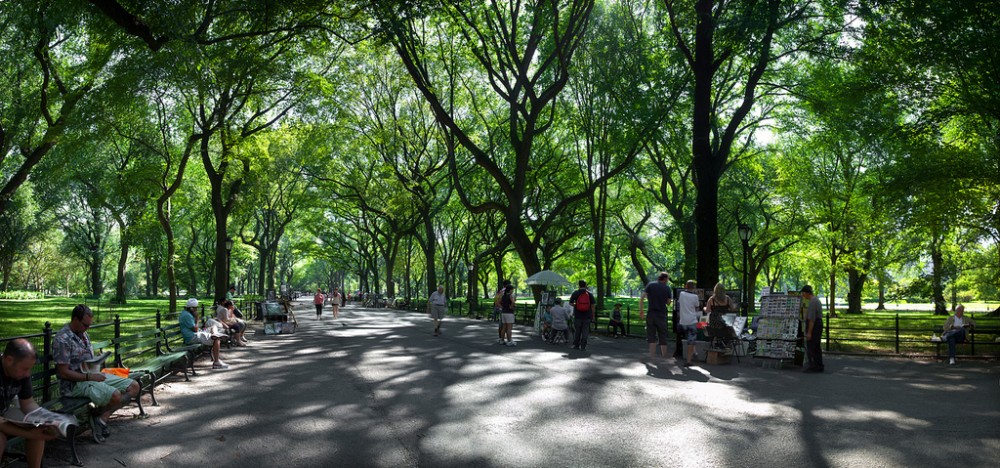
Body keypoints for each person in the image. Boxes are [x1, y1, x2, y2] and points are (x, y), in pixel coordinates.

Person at [53, 305, 140, 444]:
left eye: (89, 325)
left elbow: (84, 360)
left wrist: (98, 359)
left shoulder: (83, 333)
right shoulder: (62, 339)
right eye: (85, 325)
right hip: (74, 385)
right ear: (75, 319)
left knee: (134, 386)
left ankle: (100, 418)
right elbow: (63, 372)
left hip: (92, 375)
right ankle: (99, 419)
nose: (88, 328)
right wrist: (89, 377)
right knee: (116, 395)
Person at [1, 339, 57, 468]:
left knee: (38, 426)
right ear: (9, 360)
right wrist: (29, 434)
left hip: (4, 413)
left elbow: (27, 403)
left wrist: (46, 418)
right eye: (25, 369)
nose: (28, 374)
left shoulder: (20, 372)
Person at [179, 298, 228, 370]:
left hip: (196, 334)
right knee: (216, 339)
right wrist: (197, 319)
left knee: (213, 326)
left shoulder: (186, 313)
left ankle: (215, 334)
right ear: (192, 308)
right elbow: (195, 329)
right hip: (192, 337)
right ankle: (216, 363)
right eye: (196, 308)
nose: (197, 309)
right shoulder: (187, 315)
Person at [638, 272, 673, 359]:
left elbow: (642, 298)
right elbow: (668, 303)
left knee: (651, 335)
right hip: (661, 314)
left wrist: (641, 311)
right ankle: (664, 355)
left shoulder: (650, 285)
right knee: (662, 335)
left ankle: (652, 356)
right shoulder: (667, 288)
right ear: (665, 279)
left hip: (651, 314)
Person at [676, 280, 701, 367]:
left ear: (686, 286)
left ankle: (695, 352)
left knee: (688, 337)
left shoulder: (681, 294)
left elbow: (679, 305)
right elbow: (697, 308)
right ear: (694, 288)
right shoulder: (695, 297)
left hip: (683, 321)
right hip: (692, 321)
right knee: (691, 340)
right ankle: (689, 360)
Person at [801, 285, 824, 373]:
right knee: (816, 346)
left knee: (811, 346)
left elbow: (811, 319)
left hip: (815, 326)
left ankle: (813, 365)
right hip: (818, 324)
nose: (803, 296)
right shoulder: (816, 300)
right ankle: (819, 365)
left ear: (806, 293)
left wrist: (809, 332)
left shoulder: (812, 302)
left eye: (803, 293)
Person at [569, 280, 596, 350]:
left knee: (577, 330)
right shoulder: (589, 294)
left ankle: (576, 345)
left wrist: (576, 305)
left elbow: (570, 303)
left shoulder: (575, 293)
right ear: (585, 285)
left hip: (578, 315)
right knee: (585, 331)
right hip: (587, 316)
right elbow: (593, 306)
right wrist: (593, 315)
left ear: (579, 285)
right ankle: (583, 346)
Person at [494, 280, 511, 344]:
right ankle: (505, 339)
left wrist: (498, 306)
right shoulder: (505, 292)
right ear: (507, 285)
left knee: (501, 324)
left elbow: (495, 300)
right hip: (504, 309)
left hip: (499, 308)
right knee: (505, 325)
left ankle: (500, 338)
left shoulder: (500, 291)